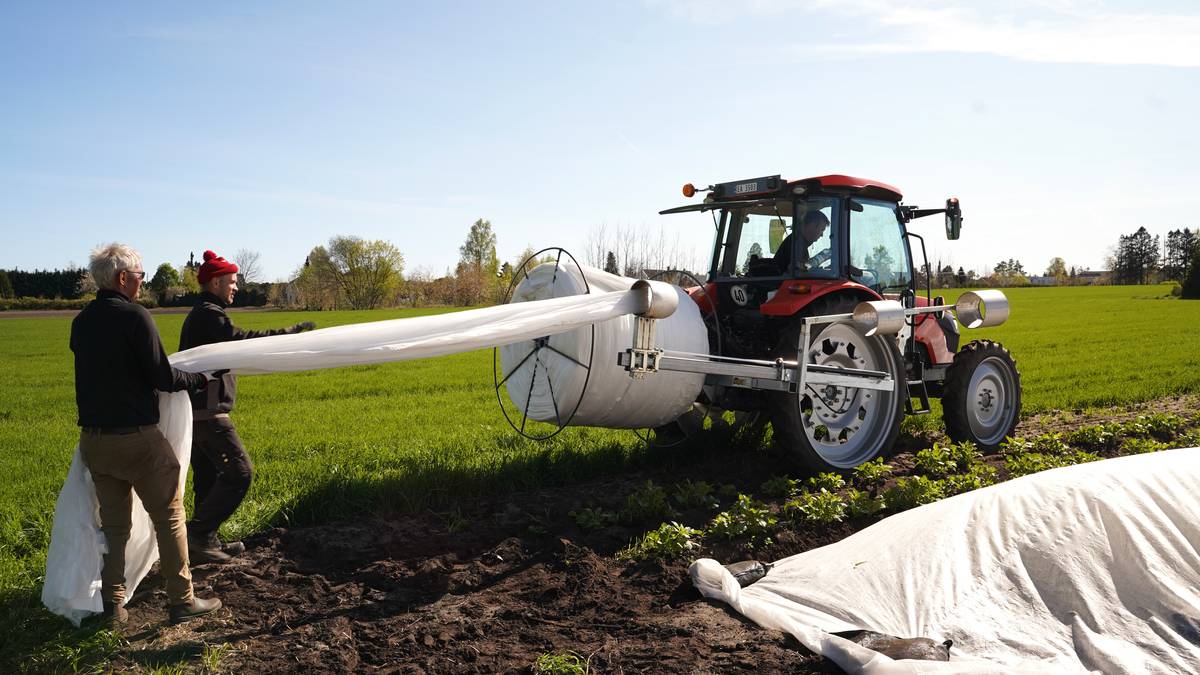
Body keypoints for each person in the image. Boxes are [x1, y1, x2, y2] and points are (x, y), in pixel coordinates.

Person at [70, 243, 223, 625]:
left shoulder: (82, 321)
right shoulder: (135, 317)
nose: (143, 282)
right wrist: (200, 379)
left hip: (95, 442)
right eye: (140, 275)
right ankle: (182, 600)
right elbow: (163, 377)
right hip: (137, 440)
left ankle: (112, 605)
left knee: (114, 526)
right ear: (123, 278)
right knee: (170, 517)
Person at [179, 250, 316, 564]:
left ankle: (204, 545)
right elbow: (244, 341)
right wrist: (289, 336)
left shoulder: (202, 312)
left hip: (196, 414)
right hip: (209, 414)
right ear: (215, 282)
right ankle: (199, 534)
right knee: (240, 473)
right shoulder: (209, 314)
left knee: (208, 479)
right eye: (231, 281)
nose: (236, 287)